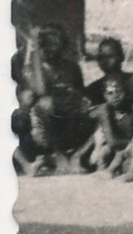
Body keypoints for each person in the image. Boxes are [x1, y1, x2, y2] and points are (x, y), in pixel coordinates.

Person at [19, 24, 92, 174]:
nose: (50, 49)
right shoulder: (31, 69)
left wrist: (74, 93)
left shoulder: (71, 67)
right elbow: (41, 90)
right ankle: (56, 153)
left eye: (54, 44)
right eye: (45, 44)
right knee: (47, 104)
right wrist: (36, 56)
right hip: (43, 130)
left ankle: (76, 155)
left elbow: (81, 93)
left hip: (68, 120)